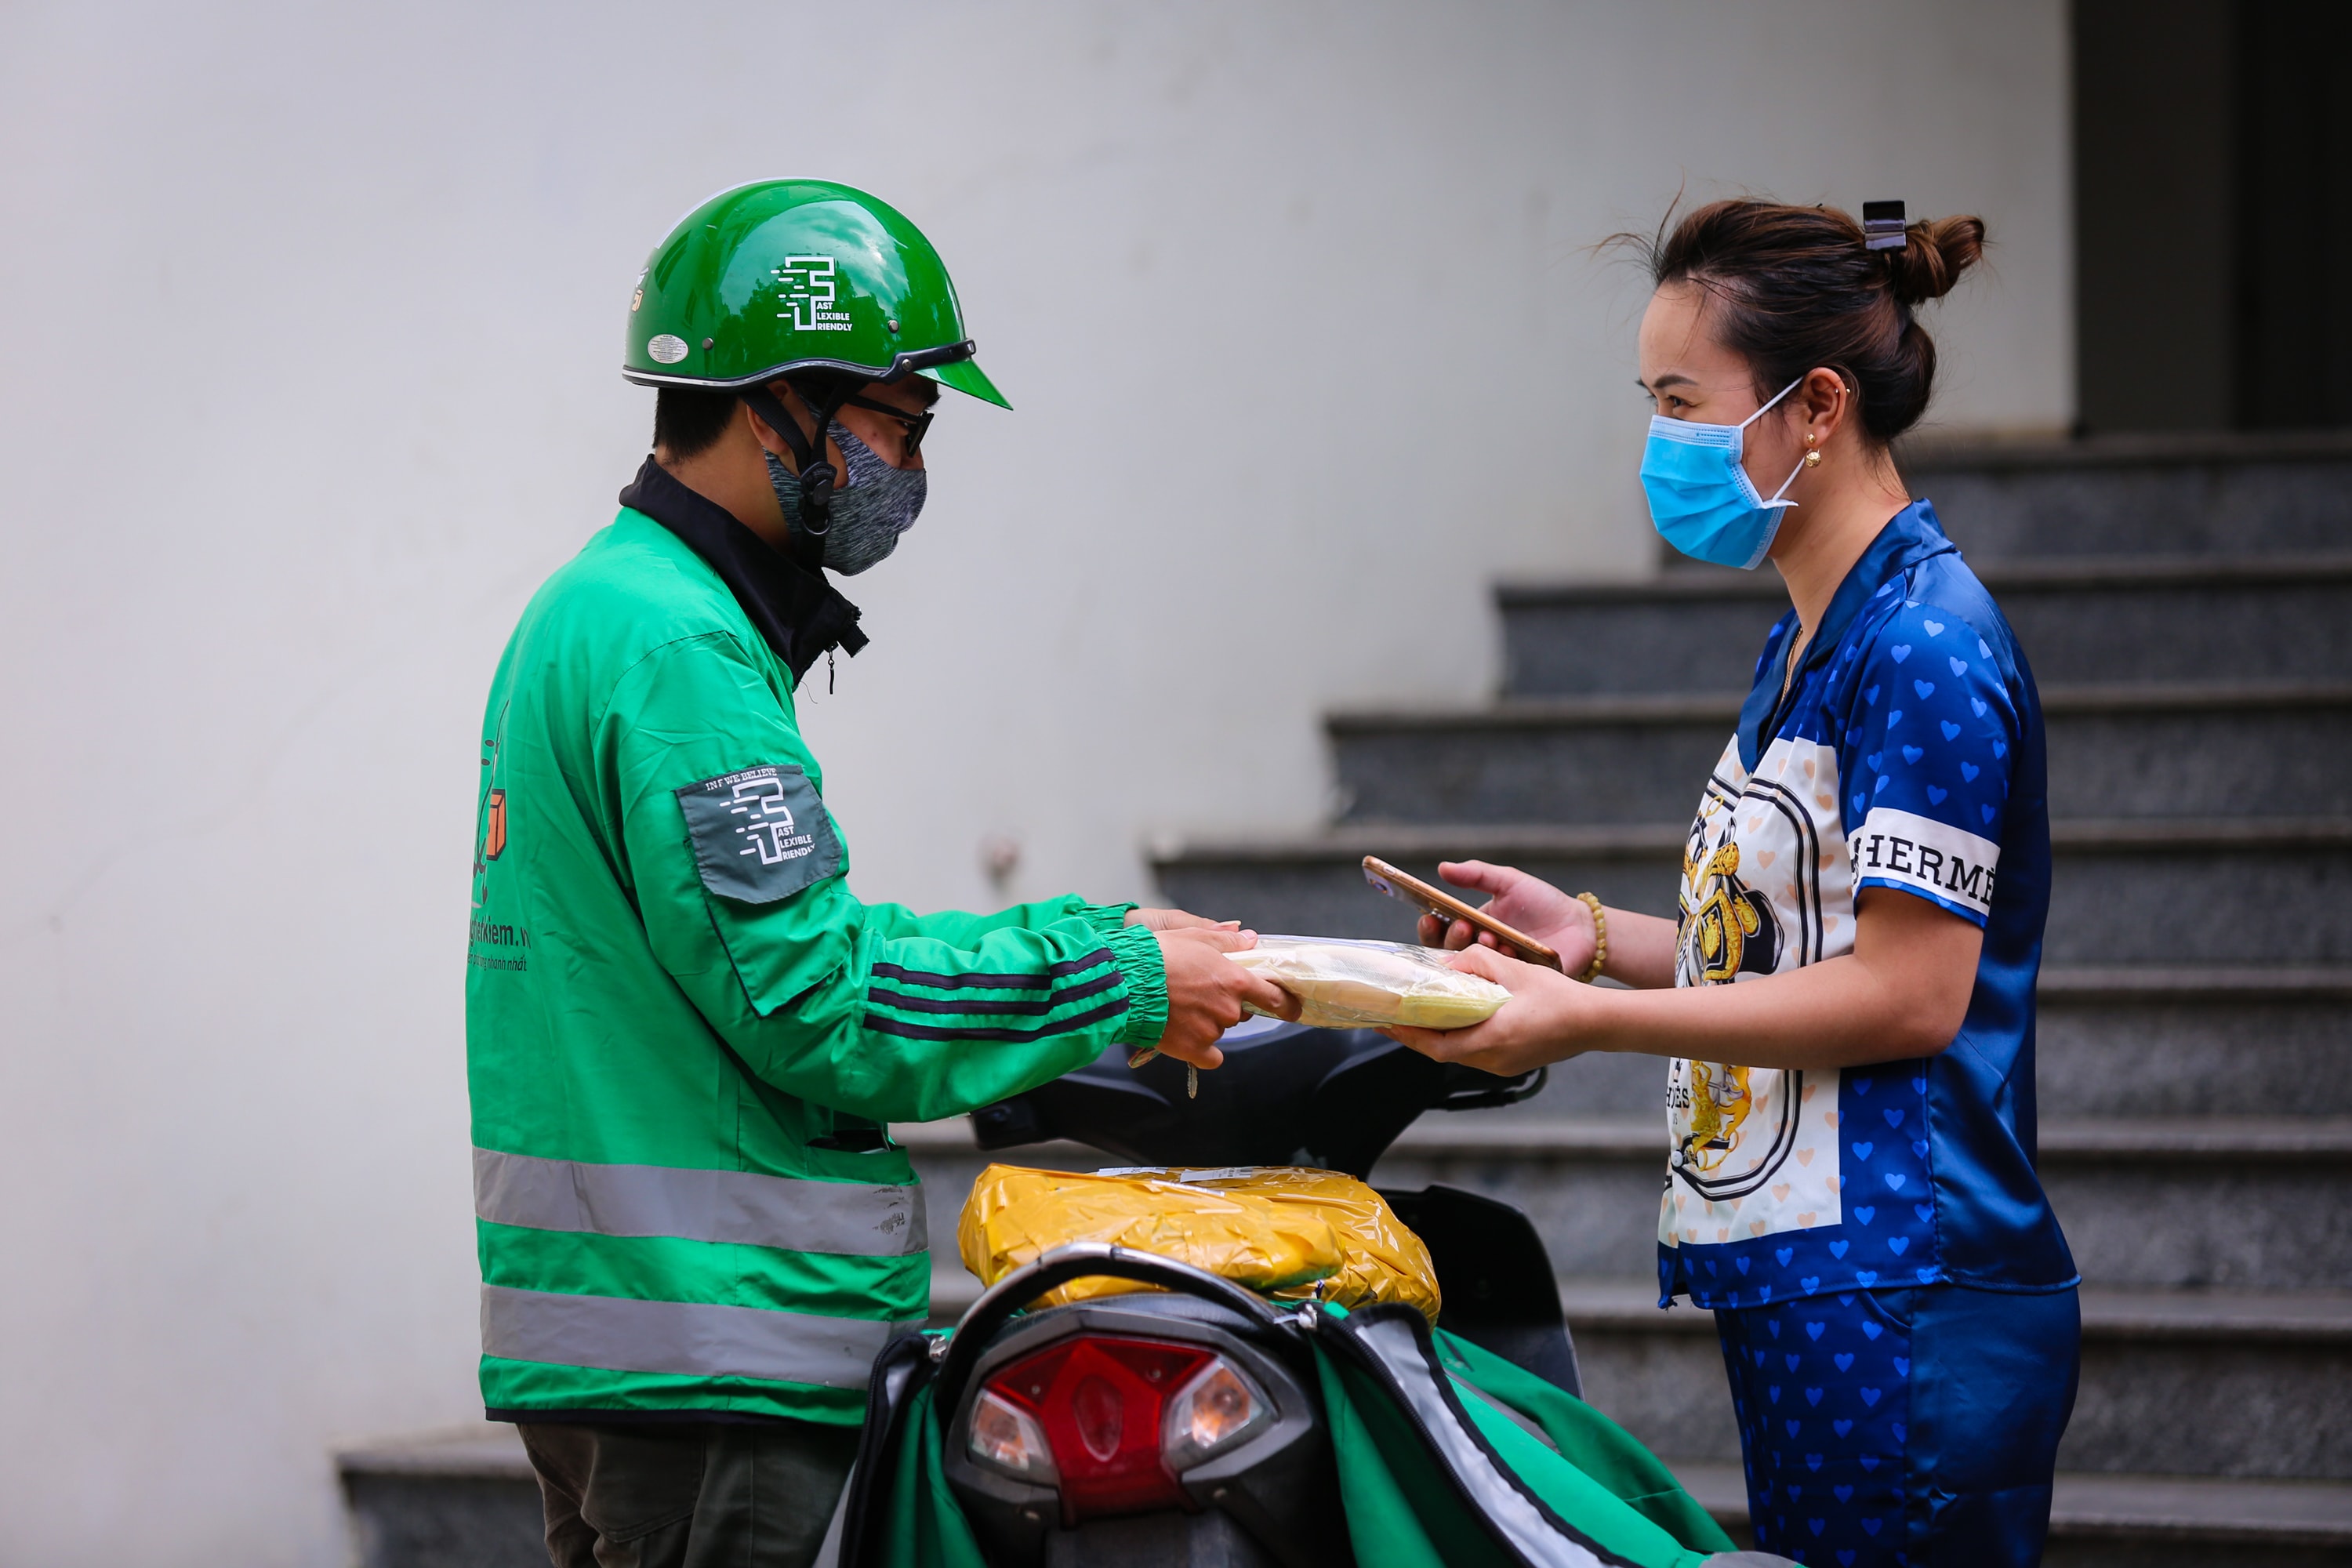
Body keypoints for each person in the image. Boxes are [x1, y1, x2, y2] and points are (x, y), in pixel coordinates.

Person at [465, 179, 1293, 1568]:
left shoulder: (604, 607)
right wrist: (1125, 972)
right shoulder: (680, 651)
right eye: (900, 424)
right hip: (714, 1353)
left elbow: (746, 967)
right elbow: (817, 1003)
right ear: (777, 398)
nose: (914, 466)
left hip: (638, 1337)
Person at [1386, 198, 2078, 1566]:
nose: (1663, 443)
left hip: (1902, 1286)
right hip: (1817, 1275)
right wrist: (1580, 937)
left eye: (1682, 402)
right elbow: (1788, 951)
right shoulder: (1809, 637)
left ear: (1815, 405)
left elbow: (1908, 993)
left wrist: (1583, 1023)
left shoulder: (1926, 645)